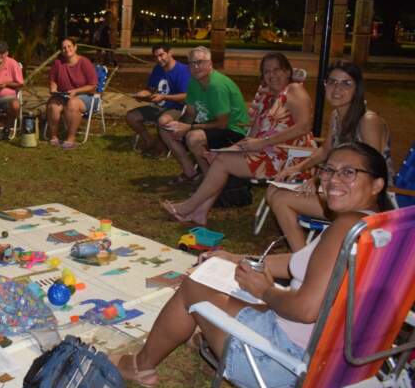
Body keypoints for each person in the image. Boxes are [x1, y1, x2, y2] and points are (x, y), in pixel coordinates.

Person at [111, 142, 392, 388]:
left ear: (377, 184)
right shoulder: (385, 231)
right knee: (227, 283)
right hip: (346, 365)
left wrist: (265, 290)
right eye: (329, 170)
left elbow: (306, 310)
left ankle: (140, 366)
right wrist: (236, 258)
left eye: (348, 172)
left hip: (287, 367)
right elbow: (304, 263)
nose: (333, 180)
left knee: (195, 285)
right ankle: (207, 343)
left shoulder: (346, 227)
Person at [161, 52, 315, 227]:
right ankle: (199, 212)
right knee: (220, 159)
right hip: (267, 153)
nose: (272, 75)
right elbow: (252, 136)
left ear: (287, 71)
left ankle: (189, 208)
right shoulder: (266, 99)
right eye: (267, 72)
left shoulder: (294, 90)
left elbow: (304, 126)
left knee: (222, 163)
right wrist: (227, 150)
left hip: (292, 157)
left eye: (277, 70)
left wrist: (261, 144)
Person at [267, 61, 393, 251]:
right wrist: (297, 168)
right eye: (332, 82)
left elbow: (370, 169)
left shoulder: (368, 121)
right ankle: (302, 257)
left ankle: (302, 258)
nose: (337, 89)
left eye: (346, 83)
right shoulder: (337, 116)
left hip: (367, 201)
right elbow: (325, 151)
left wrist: (319, 179)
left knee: (281, 199)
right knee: (272, 190)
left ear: (357, 88)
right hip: (344, 189)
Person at [159, 46, 250, 184]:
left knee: (193, 138)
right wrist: (179, 127)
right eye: (192, 63)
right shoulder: (194, 83)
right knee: (165, 127)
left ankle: (210, 181)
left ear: (210, 64)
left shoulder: (217, 86)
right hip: (211, 126)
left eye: (200, 62)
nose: (195, 67)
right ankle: (191, 172)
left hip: (232, 130)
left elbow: (222, 124)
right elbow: (190, 113)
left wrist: (188, 128)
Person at [126, 44, 190, 155]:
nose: (159, 59)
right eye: (156, 57)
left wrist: (164, 97)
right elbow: (150, 89)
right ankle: (149, 141)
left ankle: (163, 145)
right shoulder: (158, 69)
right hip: (158, 107)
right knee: (131, 116)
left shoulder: (183, 70)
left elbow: (186, 96)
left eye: (161, 55)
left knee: (163, 120)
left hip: (177, 108)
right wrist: (142, 94)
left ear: (170, 53)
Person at [46, 37, 98, 150]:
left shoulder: (84, 62)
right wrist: (53, 89)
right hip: (64, 95)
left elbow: (93, 86)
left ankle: (70, 138)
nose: (67, 49)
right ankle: (54, 136)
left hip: (86, 95)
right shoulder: (58, 63)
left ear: (75, 47)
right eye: (64, 47)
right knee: (53, 105)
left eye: (69, 46)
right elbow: (53, 80)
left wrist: (76, 91)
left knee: (72, 103)